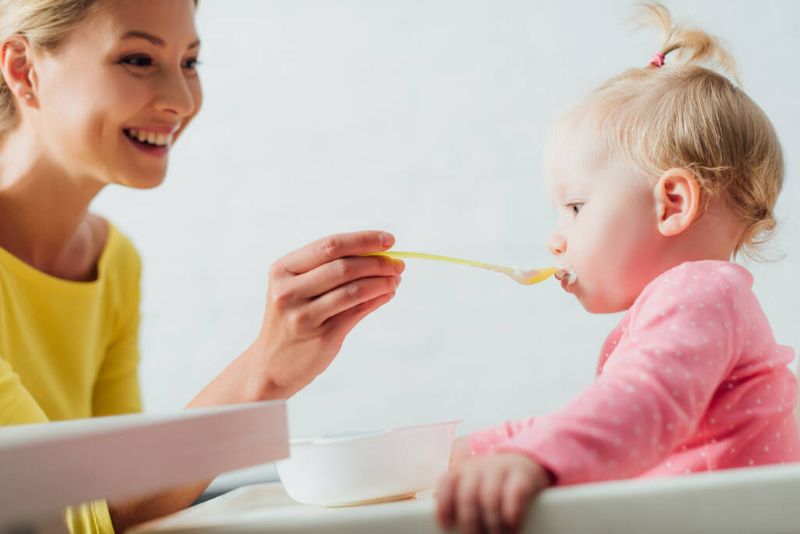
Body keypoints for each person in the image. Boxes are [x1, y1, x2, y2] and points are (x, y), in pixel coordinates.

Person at [0, 1, 404, 532]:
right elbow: (54, 517)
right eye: (139, 59)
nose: (180, 100)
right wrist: (263, 372)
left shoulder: (113, 260)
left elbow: (119, 502)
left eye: (190, 63)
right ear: (23, 70)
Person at [435, 4, 799, 533]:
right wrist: (478, 449)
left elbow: (643, 405)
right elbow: (613, 406)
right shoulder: (702, 299)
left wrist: (535, 459)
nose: (555, 238)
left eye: (576, 207)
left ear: (672, 203)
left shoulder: (700, 290)